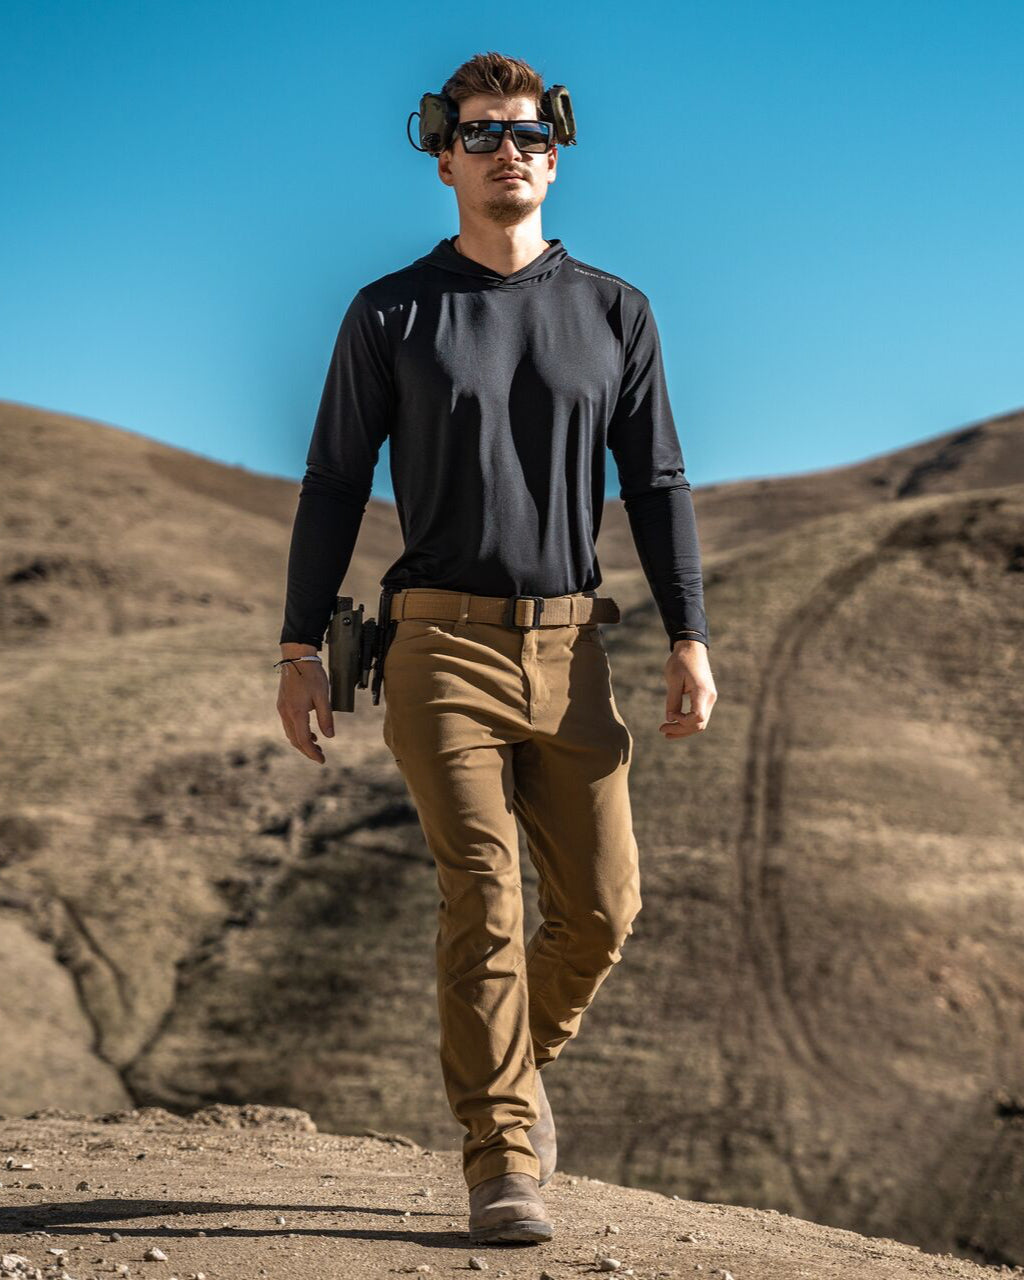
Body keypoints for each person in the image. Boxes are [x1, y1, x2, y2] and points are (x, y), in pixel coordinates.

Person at [276, 51, 717, 1245]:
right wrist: (298, 644)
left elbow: (658, 482)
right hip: (438, 647)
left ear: (555, 155)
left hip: (573, 651)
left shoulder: (616, 311)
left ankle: (512, 1069)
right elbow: (331, 481)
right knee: (479, 890)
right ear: (444, 158)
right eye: (480, 134)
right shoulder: (390, 312)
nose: (506, 151)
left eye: (527, 134)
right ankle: (502, 1155)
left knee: (603, 911)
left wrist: (689, 634)